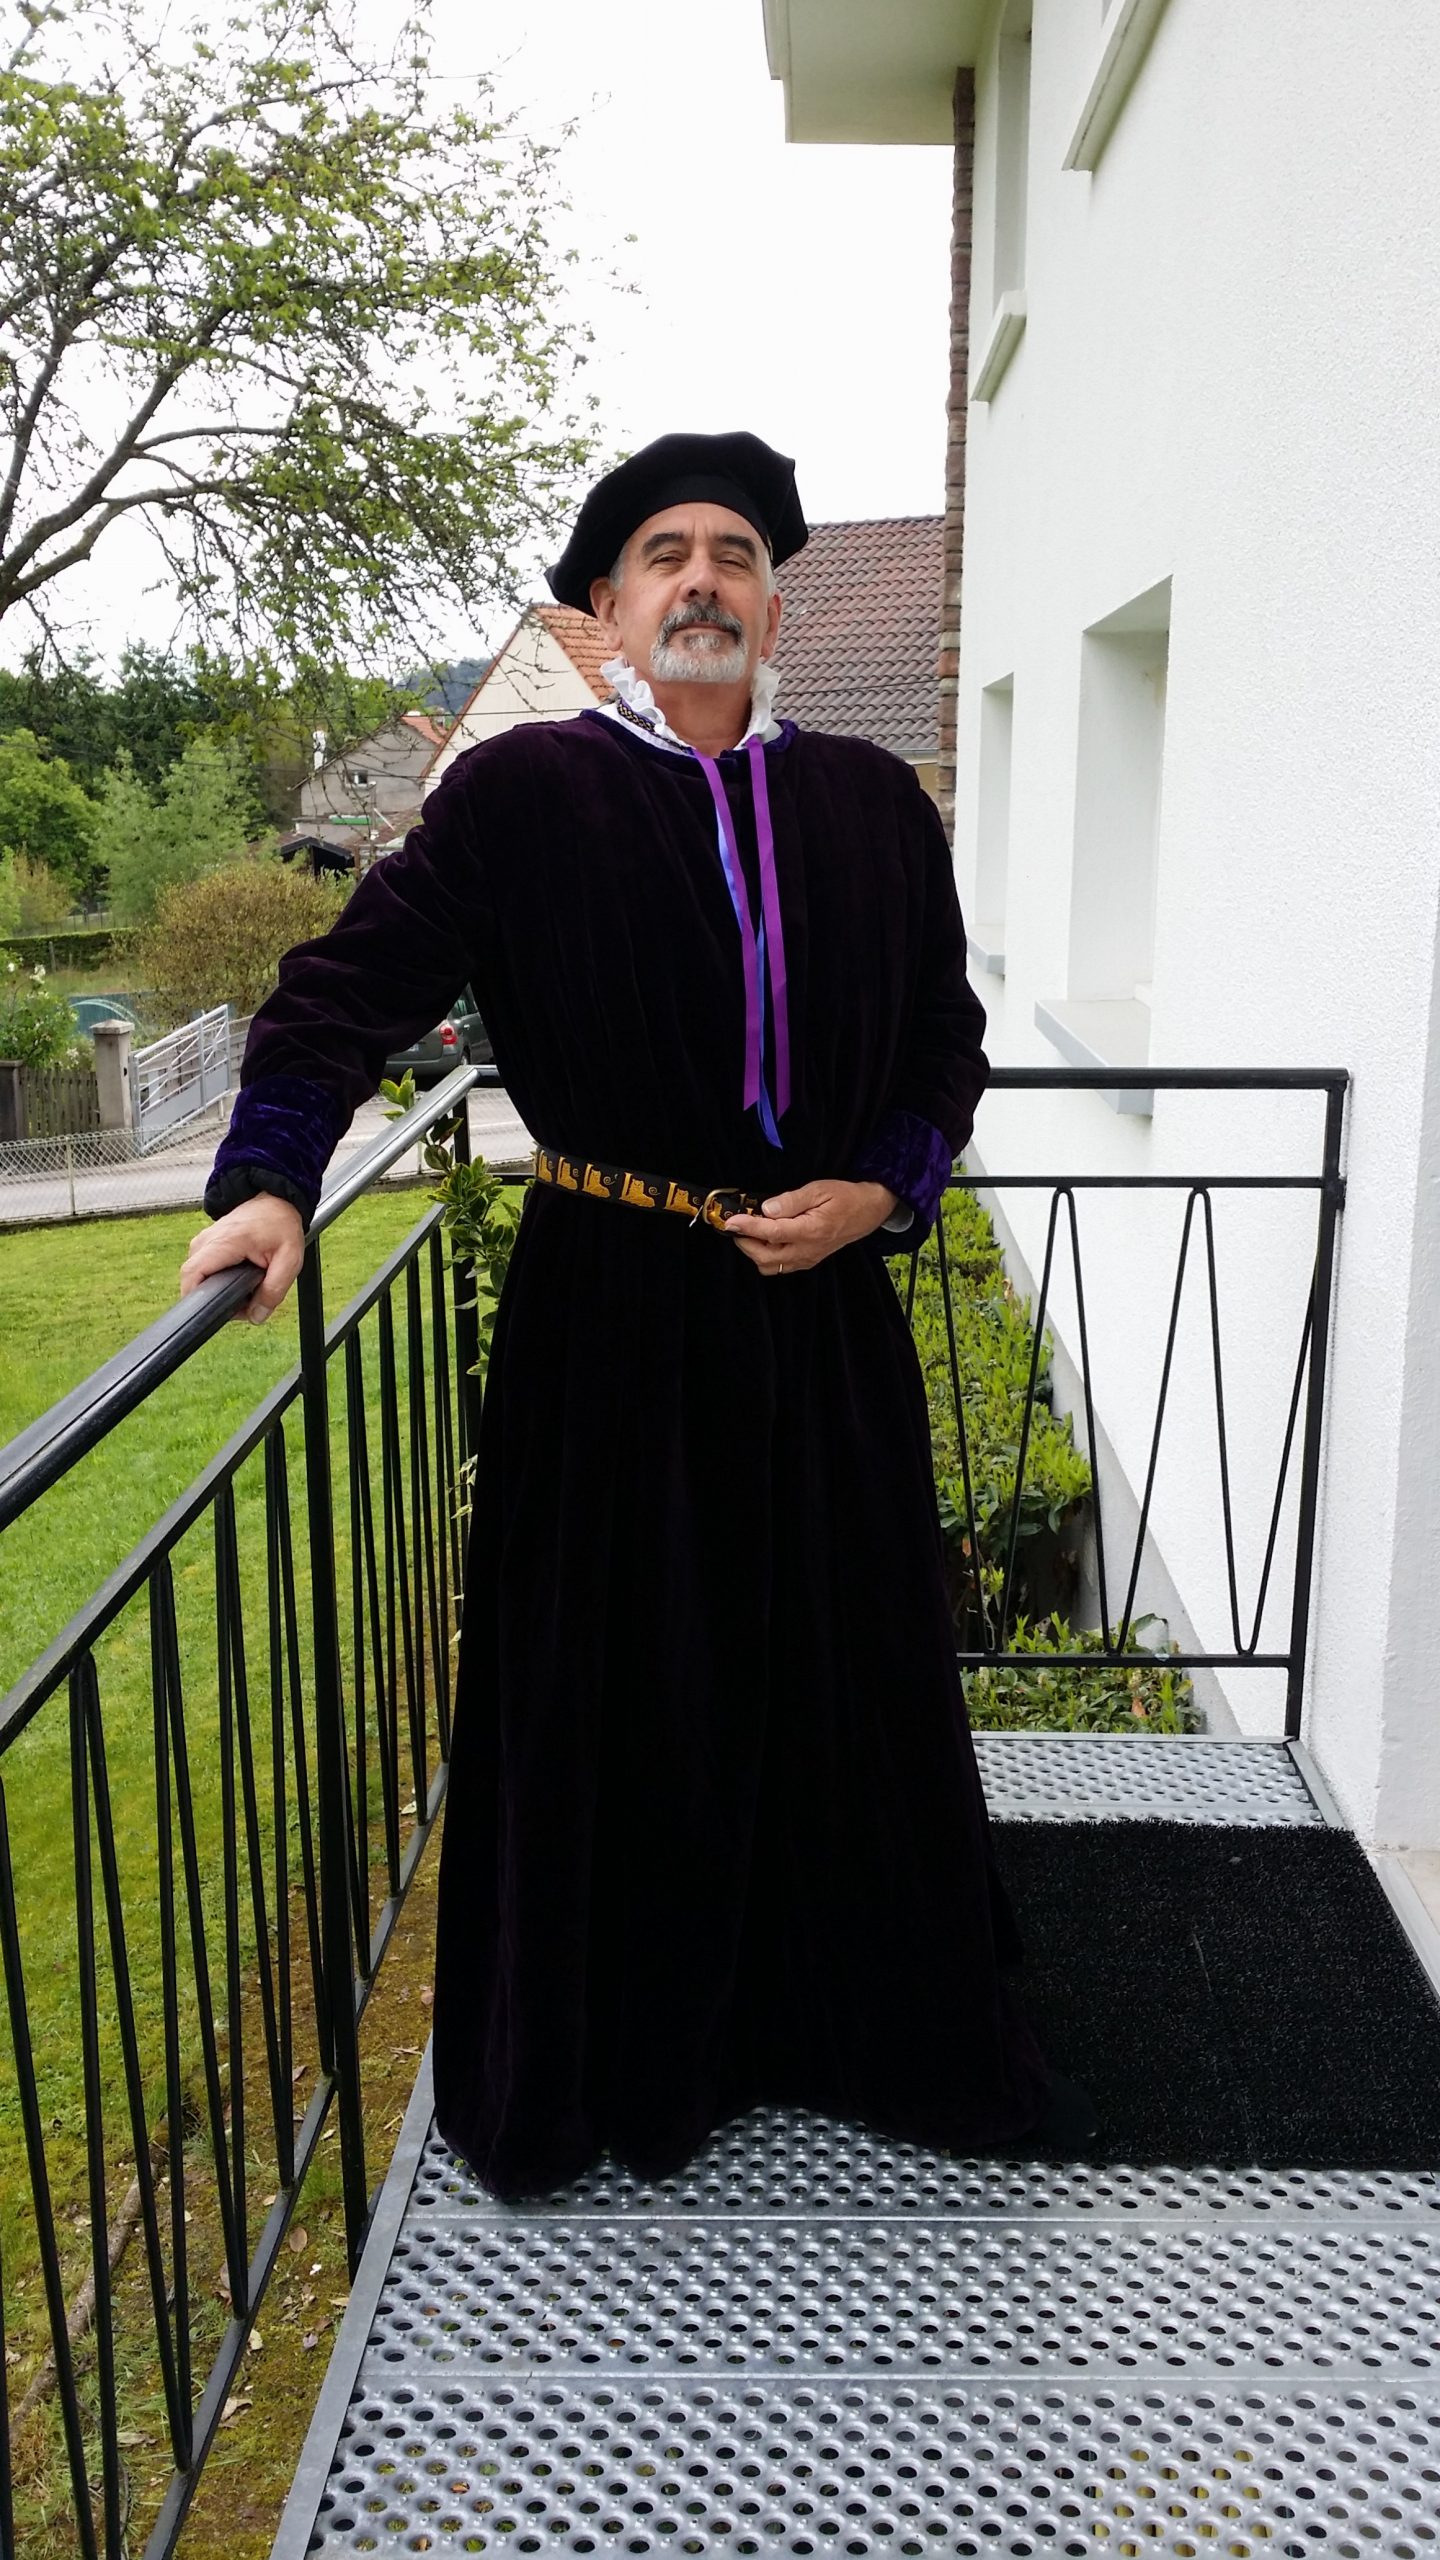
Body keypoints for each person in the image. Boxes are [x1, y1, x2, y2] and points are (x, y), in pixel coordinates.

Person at [182, 429, 1092, 2197]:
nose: (701, 581)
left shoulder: (868, 805)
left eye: (734, 554)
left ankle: (851, 2024)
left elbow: (943, 1039)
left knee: (843, 1673)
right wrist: (271, 1175)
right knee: (620, 1686)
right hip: (607, 1319)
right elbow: (338, 995)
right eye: (664, 555)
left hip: (822, 1322)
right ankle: (627, 2055)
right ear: (606, 609)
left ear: (774, 606)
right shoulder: (522, 794)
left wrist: (883, 1189)